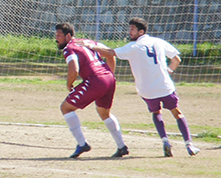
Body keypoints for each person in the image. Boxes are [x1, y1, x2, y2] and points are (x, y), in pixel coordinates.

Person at [81, 17, 200, 157]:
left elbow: (111, 52)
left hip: (147, 90)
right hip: (165, 86)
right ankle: (189, 144)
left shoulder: (133, 47)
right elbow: (176, 59)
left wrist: (89, 46)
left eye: (132, 29)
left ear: (141, 31)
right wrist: (168, 71)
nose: (130, 32)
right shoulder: (158, 42)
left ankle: (165, 141)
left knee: (156, 113)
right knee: (177, 112)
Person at [55, 22, 129, 158]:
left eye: (59, 35)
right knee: (104, 112)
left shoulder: (69, 48)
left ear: (68, 36)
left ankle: (82, 144)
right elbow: (110, 54)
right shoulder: (87, 41)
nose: (56, 38)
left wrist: (69, 84)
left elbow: (74, 68)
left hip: (96, 80)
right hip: (109, 79)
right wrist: (110, 74)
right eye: (56, 35)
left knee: (66, 108)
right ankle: (121, 146)